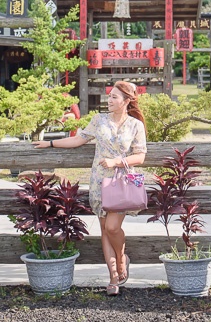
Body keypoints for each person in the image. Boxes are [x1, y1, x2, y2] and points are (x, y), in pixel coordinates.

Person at [32, 80, 146, 296]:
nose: (109, 100)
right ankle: (113, 277)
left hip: (121, 182)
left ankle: (122, 260)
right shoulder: (99, 120)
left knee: (113, 227)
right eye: (109, 96)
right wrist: (50, 143)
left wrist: (116, 162)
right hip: (99, 182)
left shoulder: (135, 125)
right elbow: (78, 140)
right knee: (104, 229)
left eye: (114, 97)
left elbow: (140, 156)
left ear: (126, 101)